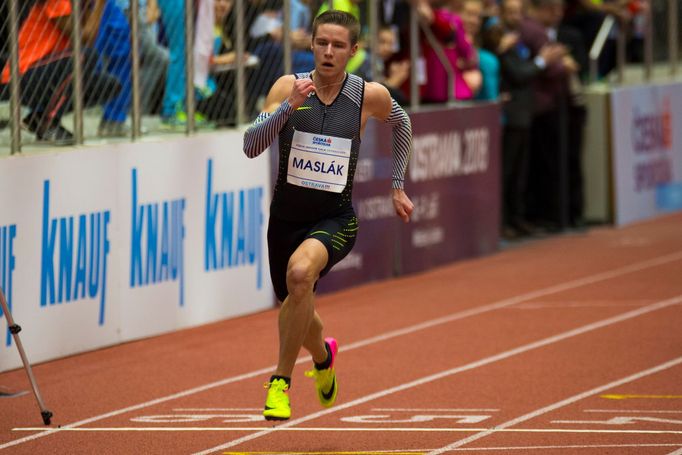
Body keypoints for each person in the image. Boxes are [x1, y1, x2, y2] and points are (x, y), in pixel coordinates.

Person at [243, 10, 414, 421]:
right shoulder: (289, 86)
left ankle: (280, 384)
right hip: (285, 218)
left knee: (301, 276)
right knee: (296, 303)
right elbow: (251, 145)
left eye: (338, 45)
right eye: (321, 43)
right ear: (311, 44)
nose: (328, 51)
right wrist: (288, 107)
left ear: (353, 51)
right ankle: (323, 357)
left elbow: (402, 123)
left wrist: (397, 183)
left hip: (335, 219)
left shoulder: (365, 95)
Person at [0, 0, 122, 145]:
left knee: (110, 85)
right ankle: (47, 124)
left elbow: (89, 38)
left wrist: (92, 6)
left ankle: (39, 118)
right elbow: (83, 38)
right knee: (85, 57)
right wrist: (101, 4)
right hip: (21, 75)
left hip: (50, 71)